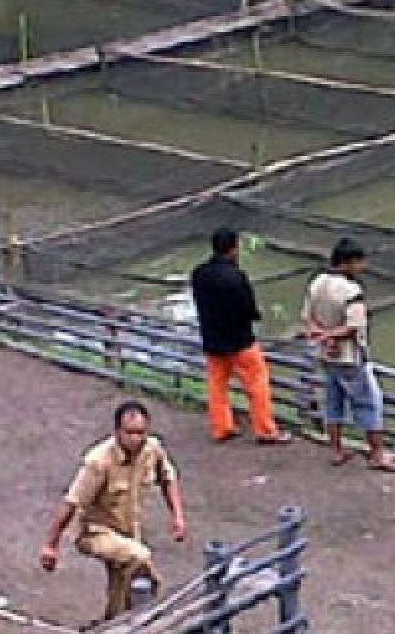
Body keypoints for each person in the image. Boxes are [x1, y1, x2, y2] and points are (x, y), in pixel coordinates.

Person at [40, 401, 187, 622]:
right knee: (139, 558)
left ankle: (113, 622)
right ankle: (149, 612)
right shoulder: (99, 462)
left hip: (129, 529)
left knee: (123, 579)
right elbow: (71, 501)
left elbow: (168, 479)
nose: (135, 439)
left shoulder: (152, 449)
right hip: (95, 531)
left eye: (141, 433)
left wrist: (177, 516)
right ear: (117, 432)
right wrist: (50, 545)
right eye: (129, 433)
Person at [302, 237, 395, 472]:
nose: (363, 268)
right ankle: (377, 453)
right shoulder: (351, 291)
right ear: (348, 263)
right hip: (349, 357)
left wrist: (324, 337)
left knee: (333, 402)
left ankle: (336, 450)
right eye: (360, 262)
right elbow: (353, 327)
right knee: (369, 402)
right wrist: (333, 337)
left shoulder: (317, 283)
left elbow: (308, 320)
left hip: (326, 356)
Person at [189, 227, 292, 445]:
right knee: (257, 383)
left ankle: (222, 427)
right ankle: (265, 430)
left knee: (217, 385)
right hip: (240, 341)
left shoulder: (199, 274)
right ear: (234, 248)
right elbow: (249, 309)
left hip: (212, 340)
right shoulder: (236, 277)